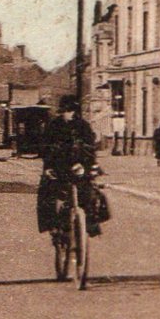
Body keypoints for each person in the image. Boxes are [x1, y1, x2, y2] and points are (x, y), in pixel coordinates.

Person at [38, 101, 102, 236]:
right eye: (65, 111)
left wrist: (92, 165)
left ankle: (91, 225)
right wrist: (48, 167)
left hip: (78, 166)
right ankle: (51, 225)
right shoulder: (54, 125)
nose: (68, 114)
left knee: (91, 192)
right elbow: (45, 147)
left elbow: (90, 147)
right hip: (59, 166)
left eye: (70, 111)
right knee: (47, 191)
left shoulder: (83, 126)